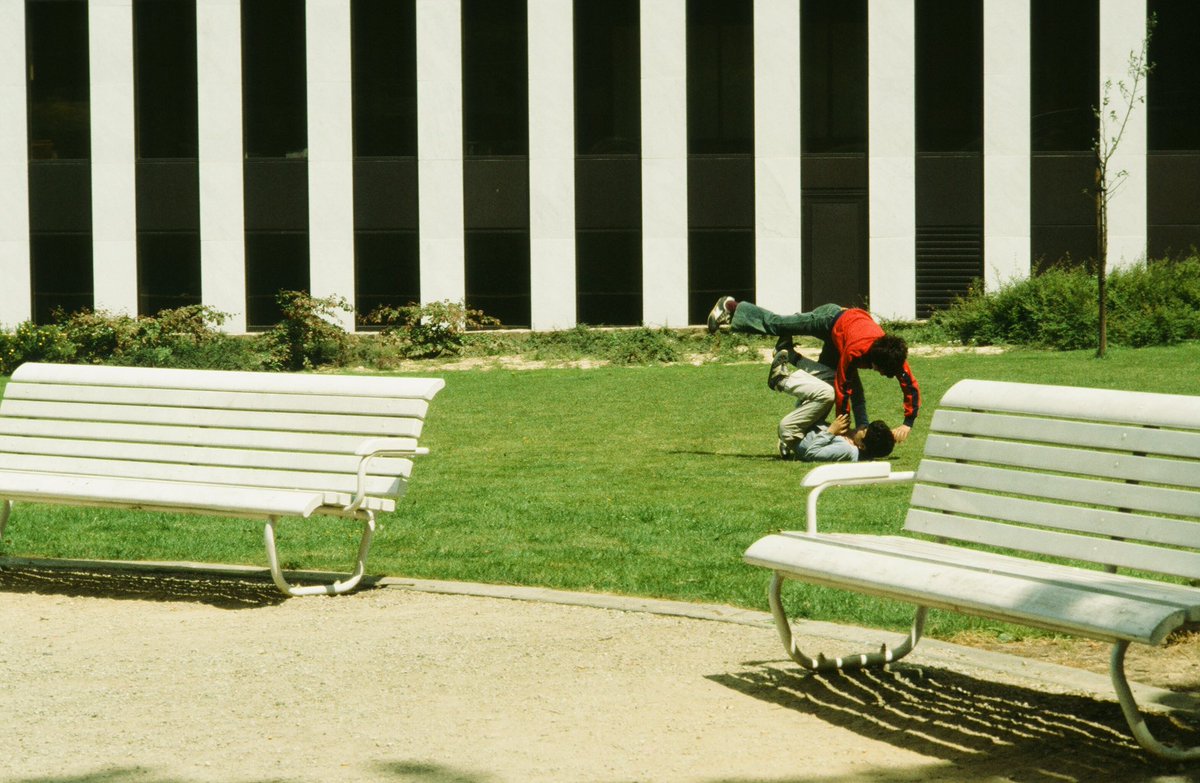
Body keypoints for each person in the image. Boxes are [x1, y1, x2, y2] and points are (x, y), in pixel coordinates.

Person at [708, 296, 920, 443]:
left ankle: (801, 433)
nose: (882, 374)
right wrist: (842, 429)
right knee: (777, 324)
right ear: (874, 359)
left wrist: (907, 423)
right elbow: (844, 389)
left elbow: (909, 386)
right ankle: (730, 306)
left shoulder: (892, 355)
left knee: (822, 384)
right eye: (881, 371)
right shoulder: (855, 351)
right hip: (829, 319)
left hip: (842, 337)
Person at [767, 349, 895, 462]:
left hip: (792, 430)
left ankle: (780, 381)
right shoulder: (859, 441)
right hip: (806, 427)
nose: (860, 427)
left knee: (827, 394)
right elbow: (859, 402)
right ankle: (791, 354)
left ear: (862, 446)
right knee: (836, 379)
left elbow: (811, 453)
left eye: (863, 430)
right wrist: (851, 371)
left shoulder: (846, 450)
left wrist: (831, 431)